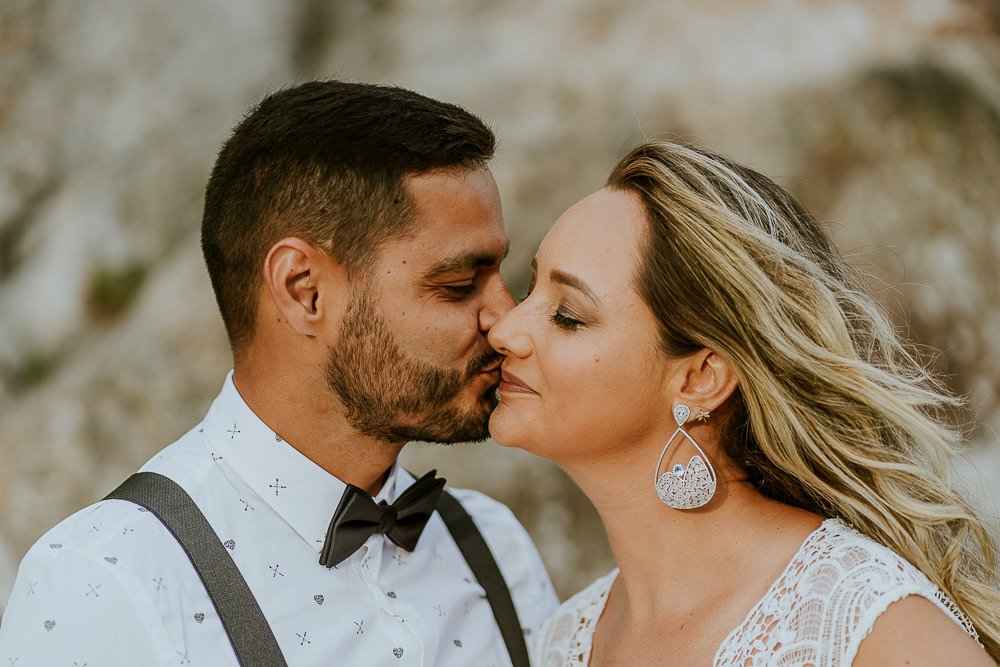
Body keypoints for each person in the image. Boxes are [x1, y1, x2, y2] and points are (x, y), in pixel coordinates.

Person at [0, 80, 557, 666]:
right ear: (303, 290)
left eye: (499, 275)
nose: (506, 318)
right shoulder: (110, 583)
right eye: (457, 285)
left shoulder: (497, 548)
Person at [488, 139, 1000, 665]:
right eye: (529, 291)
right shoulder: (562, 641)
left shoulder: (864, 619)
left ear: (701, 378)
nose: (505, 329)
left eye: (568, 315)